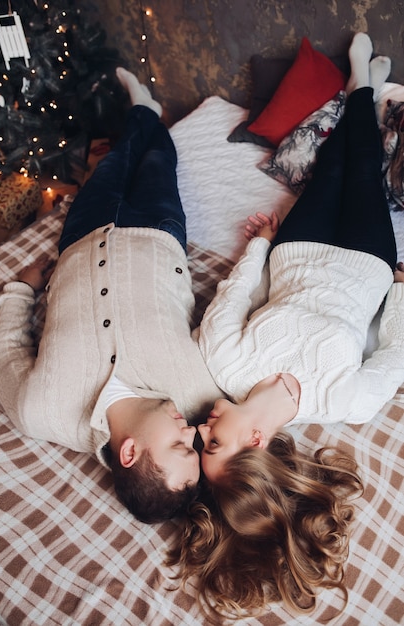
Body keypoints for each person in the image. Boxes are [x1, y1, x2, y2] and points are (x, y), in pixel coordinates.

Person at [167, 33, 401, 617]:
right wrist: (398, 289)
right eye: (212, 442)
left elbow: (233, 295)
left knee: (332, 169)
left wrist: (261, 246)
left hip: (297, 251)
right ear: (255, 443)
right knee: (367, 175)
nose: (202, 427)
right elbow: (396, 350)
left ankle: (357, 87)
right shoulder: (346, 400)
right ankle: (365, 92)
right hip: (370, 261)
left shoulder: (223, 362)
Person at [0, 69, 223, 524]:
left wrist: (22, 287)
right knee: (157, 157)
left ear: (130, 451)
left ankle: (140, 112)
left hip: (81, 237)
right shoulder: (202, 394)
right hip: (158, 233)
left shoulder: (41, 412)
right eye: (194, 444)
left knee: (112, 165)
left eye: (180, 445)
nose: (191, 431)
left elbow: (5, 353)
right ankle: (146, 111)